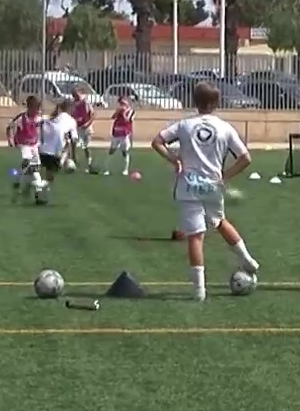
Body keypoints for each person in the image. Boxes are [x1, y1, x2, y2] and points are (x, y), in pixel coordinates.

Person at [152, 81, 262, 300]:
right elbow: (245, 158)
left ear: (195, 101)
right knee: (220, 222)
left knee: (195, 237)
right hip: (212, 186)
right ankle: (248, 260)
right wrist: (225, 176)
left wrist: (175, 160)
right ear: (217, 103)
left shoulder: (184, 125)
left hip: (188, 187)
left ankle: (199, 291)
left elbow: (157, 141)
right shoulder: (224, 127)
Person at [6, 95, 45, 202]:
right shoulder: (21, 118)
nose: (37, 110)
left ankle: (19, 181)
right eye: (35, 108)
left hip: (34, 145)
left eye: (38, 108)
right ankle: (38, 189)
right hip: (23, 144)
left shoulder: (39, 118)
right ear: (29, 107)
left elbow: (41, 129)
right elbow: (9, 127)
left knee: (33, 167)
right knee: (28, 161)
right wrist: (10, 139)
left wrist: (42, 142)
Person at [68, 88, 98, 174]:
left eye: (76, 94)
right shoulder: (73, 104)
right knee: (74, 145)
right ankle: (74, 162)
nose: (75, 96)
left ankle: (89, 164)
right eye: (73, 95)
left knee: (86, 147)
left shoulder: (85, 102)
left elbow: (93, 114)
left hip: (86, 128)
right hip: (77, 128)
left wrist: (88, 124)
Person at [107, 91, 135, 175]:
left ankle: (125, 169)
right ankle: (107, 169)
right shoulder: (119, 110)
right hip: (116, 132)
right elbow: (113, 117)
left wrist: (123, 113)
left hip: (125, 133)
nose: (122, 104)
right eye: (121, 102)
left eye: (123, 102)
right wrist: (117, 112)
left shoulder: (131, 111)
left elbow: (128, 120)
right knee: (112, 150)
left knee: (125, 151)